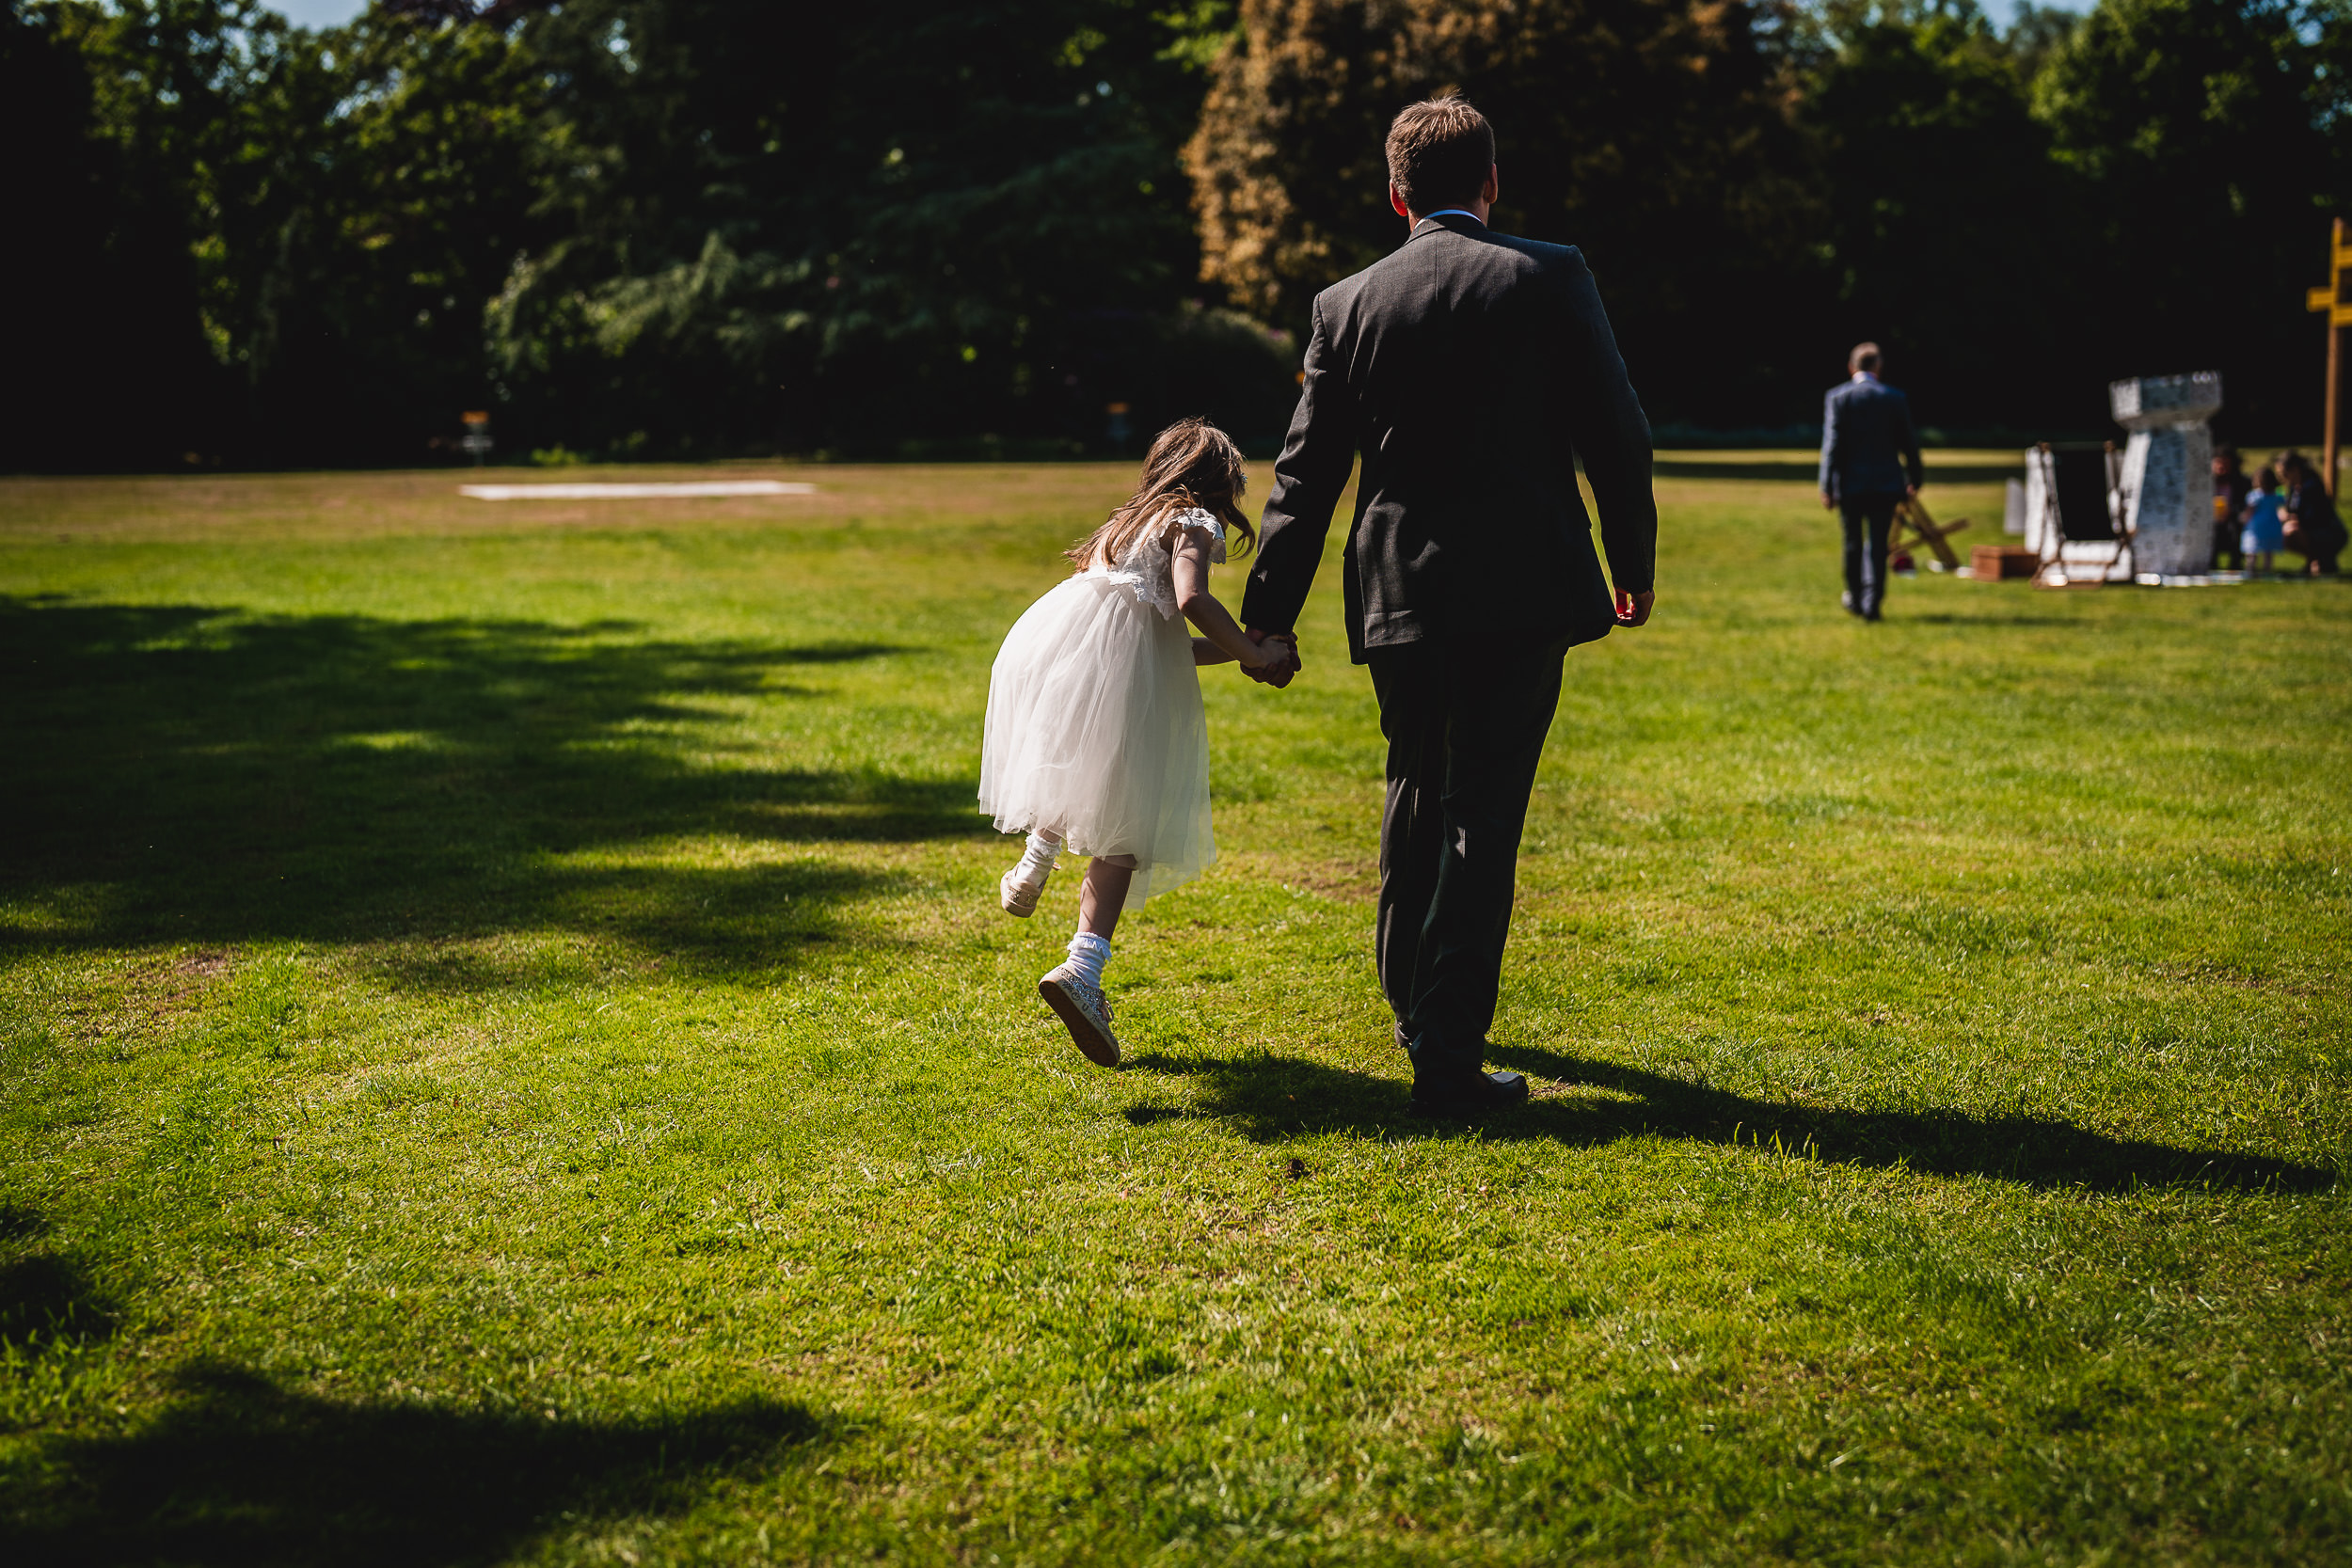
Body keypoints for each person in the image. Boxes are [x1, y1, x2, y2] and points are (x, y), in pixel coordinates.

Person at [1237, 96, 1657, 1117]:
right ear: (1491, 182)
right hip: (1521, 587)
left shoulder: (1345, 304)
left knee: (1414, 790)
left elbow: (1303, 476)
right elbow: (1618, 434)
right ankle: (1447, 1055)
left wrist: (1268, 612)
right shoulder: (1550, 274)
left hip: (1396, 590)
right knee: (1483, 814)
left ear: (1395, 196)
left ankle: (1413, 1004)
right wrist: (1630, 559)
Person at [977, 418, 1296, 1068]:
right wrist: (1252, 650)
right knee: (1126, 825)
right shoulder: (1195, 523)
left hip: (1065, 659)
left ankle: (1034, 864)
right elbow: (1191, 603)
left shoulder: (1126, 525)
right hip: (1115, 673)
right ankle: (1083, 970)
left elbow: (1162, 648)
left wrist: (1247, 655)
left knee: (1077, 767)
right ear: (1218, 485)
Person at [1818, 342, 1924, 621]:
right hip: (1886, 484)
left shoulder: (1839, 397)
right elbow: (1909, 444)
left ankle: (1854, 597)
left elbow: (1832, 445)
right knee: (1878, 545)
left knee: (1852, 543)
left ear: (1851, 367)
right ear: (1878, 367)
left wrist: (1826, 486)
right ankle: (1872, 603)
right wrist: (1915, 478)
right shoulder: (1893, 397)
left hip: (1850, 485)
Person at [2278, 451, 2346, 575]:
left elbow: (2315, 517)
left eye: (2284, 474)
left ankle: (2319, 560)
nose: (2282, 478)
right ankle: (2319, 561)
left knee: (2291, 530)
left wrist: (2293, 519)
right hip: (2311, 530)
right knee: (2285, 531)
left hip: (2330, 533)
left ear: (2295, 470)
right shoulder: (2294, 488)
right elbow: (2290, 509)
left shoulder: (2312, 486)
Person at [2212, 446, 2251, 572]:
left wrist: (2231, 511)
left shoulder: (2242, 483)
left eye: (2225, 463)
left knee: (2235, 526)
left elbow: (2245, 505)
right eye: (2218, 462)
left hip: (2232, 521)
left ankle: (2235, 564)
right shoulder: (2205, 483)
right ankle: (2211, 564)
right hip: (2210, 521)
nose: (2221, 466)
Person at [2240, 465, 2284, 576]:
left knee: (2252, 551)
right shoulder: (2276, 495)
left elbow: (2250, 510)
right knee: (2268, 552)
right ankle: (2267, 571)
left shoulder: (2255, 495)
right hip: (2272, 526)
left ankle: (2251, 570)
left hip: (2257, 527)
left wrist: (2243, 518)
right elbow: (2283, 508)